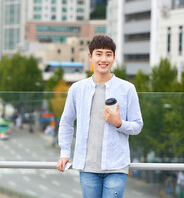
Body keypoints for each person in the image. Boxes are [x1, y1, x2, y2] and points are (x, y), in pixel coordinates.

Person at [56, 35, 143, 198]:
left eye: (108, 54)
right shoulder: (77, 89)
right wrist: (64, 154)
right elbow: (67, 122)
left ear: (114, 58)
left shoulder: (127, 89)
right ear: (90, 57)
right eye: (99, 54)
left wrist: (119, 123)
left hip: (116, 167)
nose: (104, 59)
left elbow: (138, 125)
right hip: (88, 167)